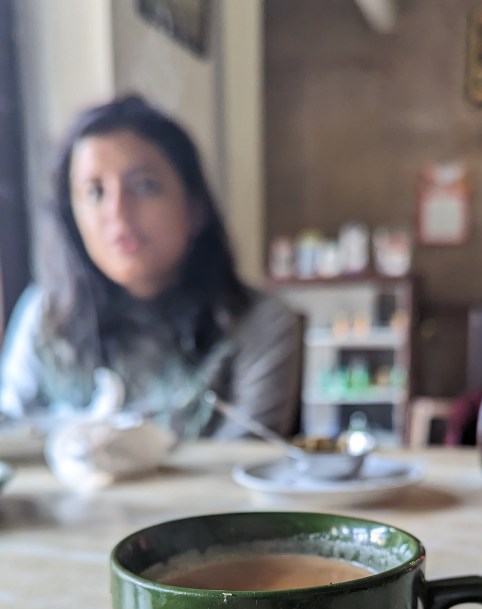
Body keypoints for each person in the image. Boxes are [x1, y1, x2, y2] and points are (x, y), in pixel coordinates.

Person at [0, 94, 301, 438]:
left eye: (144, 186)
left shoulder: (259, 324)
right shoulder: (44, 317)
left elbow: (246, 459)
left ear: (195, 207)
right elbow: (10, 436)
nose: (117, 213)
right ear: (72, 216)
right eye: (95, 192)